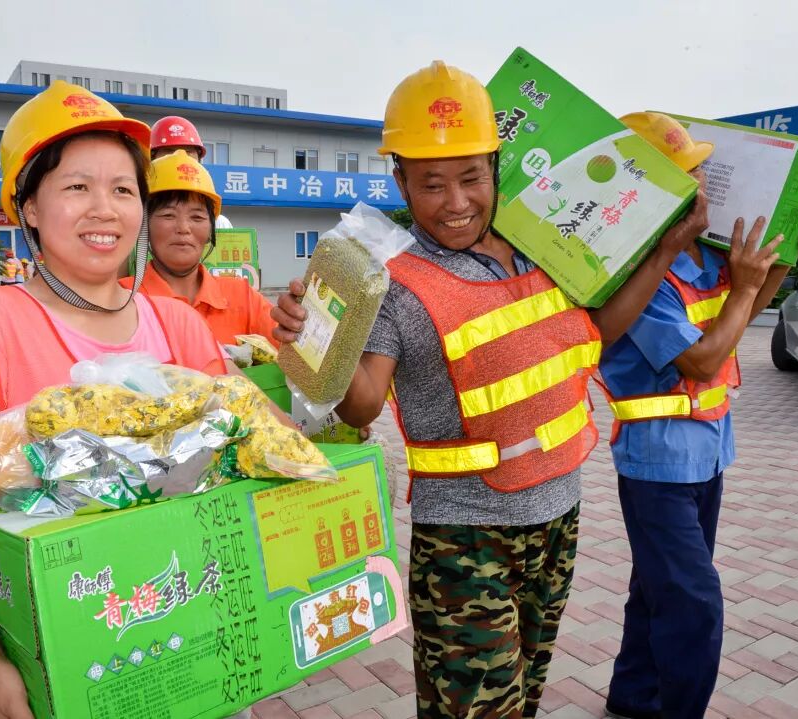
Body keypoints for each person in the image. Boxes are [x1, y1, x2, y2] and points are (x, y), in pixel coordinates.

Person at [271, 61, 710, 718]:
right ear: (400, 181)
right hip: (463, 539)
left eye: (472, 177)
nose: (456, 202)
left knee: (521, 698)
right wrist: (311, 338)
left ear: (497, 167)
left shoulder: (545, 245)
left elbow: (595, 332)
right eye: (432, 184)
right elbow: (362, 402)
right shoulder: (391, 279)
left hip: (558, 517)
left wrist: (666, 248)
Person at [0, 80, 235, 719]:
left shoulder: (180, 325)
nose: (105, 210)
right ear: (28, 207)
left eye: (123, 190)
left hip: (192, 625)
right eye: (77, 187)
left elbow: (245, 449)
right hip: (66, 648)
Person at [599, 112, 798, 719]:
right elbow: (702, 360)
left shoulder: (704, 254)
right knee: (694, 603)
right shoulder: (635, 273)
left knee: (658, 585)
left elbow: (737, 320)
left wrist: (778, 261)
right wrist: (746, 287)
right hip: (657, 463)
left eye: (700, 169)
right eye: (686, 174)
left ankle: (633, 694)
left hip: (707, 451)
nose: (701, 184)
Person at [121, 149, 277, 346]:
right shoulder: (122, 298)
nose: (183, 228)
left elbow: (296, 355)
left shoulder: (243, 297)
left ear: (211, 228)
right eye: (168, 215)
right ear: (144, 226)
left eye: (197, 217)